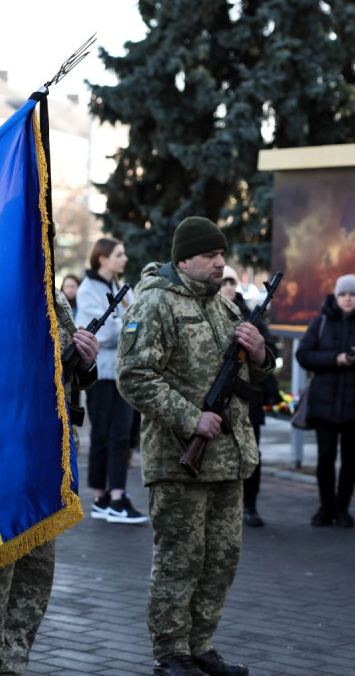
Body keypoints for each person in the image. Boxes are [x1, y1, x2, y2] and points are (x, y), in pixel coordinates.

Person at [118, 216, 272, 676]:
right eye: (210, 255)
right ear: (183, 258)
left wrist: (261, 354)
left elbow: (253, 377)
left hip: (229, 460)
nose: (220, 263)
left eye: (222, 255)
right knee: (179, 561)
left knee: (220, 560)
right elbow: (134, 377)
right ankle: (171, 653)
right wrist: (191, 417)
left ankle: (200, 645)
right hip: (179, 461)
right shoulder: (156, 303)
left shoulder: (224, 307)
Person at [0, 291, 98, 675]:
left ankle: (10, 664)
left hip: (46, 455)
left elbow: (70, 370)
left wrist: (87, 360)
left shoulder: (54, 294)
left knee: (34, 578)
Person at [294, 274, 355, 528]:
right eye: (343, 294)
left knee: (350, 459)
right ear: (336, 296)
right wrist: (335, 359)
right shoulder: (321, 321)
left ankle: (343, 509)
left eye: (352, 295)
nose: (348, 299)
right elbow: (304, 355)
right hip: (324, 402)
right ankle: (325, 507)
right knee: (325, 457)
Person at [76, 238, 146, 523]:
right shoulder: (88, 289)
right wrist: (128, 325)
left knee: (120, 436)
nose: (125, 259)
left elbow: (132, 323)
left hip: (121, 373)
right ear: (102, 259)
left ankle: (115, 496)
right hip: (101, 375)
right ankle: (102, 497)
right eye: (119, 254)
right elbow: (101, 334)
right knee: (103, 436)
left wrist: (126, 324)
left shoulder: (119, 287)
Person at [221, 265, 278, 528]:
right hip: (220, 399)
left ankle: (250, 505)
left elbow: (268, 352)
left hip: (248, 399)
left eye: (232, 282)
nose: (228, 287)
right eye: (224, 283)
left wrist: (256, 347)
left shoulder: (250, 316)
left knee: (252, 451)